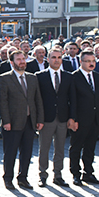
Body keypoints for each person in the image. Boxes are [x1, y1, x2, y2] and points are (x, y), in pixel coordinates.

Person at [0, 51, 44, 189]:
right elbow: (3, 102)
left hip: (29, 121)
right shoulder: (4, 78)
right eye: (18, 59)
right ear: (12, 62)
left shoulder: (32, 78)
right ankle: (8, 178)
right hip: (12, 121)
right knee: (10, 152)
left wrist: (39, 119)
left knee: (27, 152)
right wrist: (6, 121)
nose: (22, 62)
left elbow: (37, 100)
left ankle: (23, 177)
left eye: (23, 59)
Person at [68, 51, 99, 186]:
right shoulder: (74, 77)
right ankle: (76, 174)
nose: (91, 63)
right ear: (81, 62)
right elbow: (72, 100)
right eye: (88, 61)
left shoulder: (98, 77)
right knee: (76, 147)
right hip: (80, 119)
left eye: (93, 61)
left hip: (95, 119)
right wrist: (73, 119)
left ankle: (88, 173)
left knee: (90, 147)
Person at [36, 48, 72, 187]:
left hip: (62, 117)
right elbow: (37, 99)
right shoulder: (40, 76)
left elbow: (72, 98)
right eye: (53, 57)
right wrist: (39, 119)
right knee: (44, 147)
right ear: (48, 59)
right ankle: (42, 175)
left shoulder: (68, 76)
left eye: (59, 57)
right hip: (46, 118)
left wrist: (72, 117)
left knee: (60, 148)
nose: (56, 60)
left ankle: (58, 175)